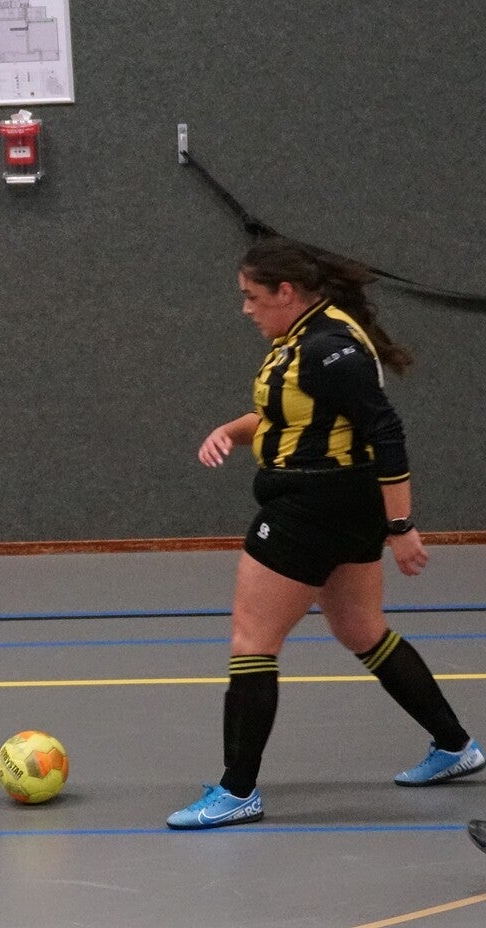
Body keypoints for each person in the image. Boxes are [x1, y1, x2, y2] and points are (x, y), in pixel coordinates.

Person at [167, 237, 483, 830]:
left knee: (252, 640)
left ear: (286, 292)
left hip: (311, 506)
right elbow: (286, 414)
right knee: (362, 628)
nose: (246, 308)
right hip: (344, 503)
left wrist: (402, 526)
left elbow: (386, 432)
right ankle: (455, 745)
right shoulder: (307, 335)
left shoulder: (327, 350)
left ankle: (238, 791)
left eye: (253, 296)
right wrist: (231, 431)